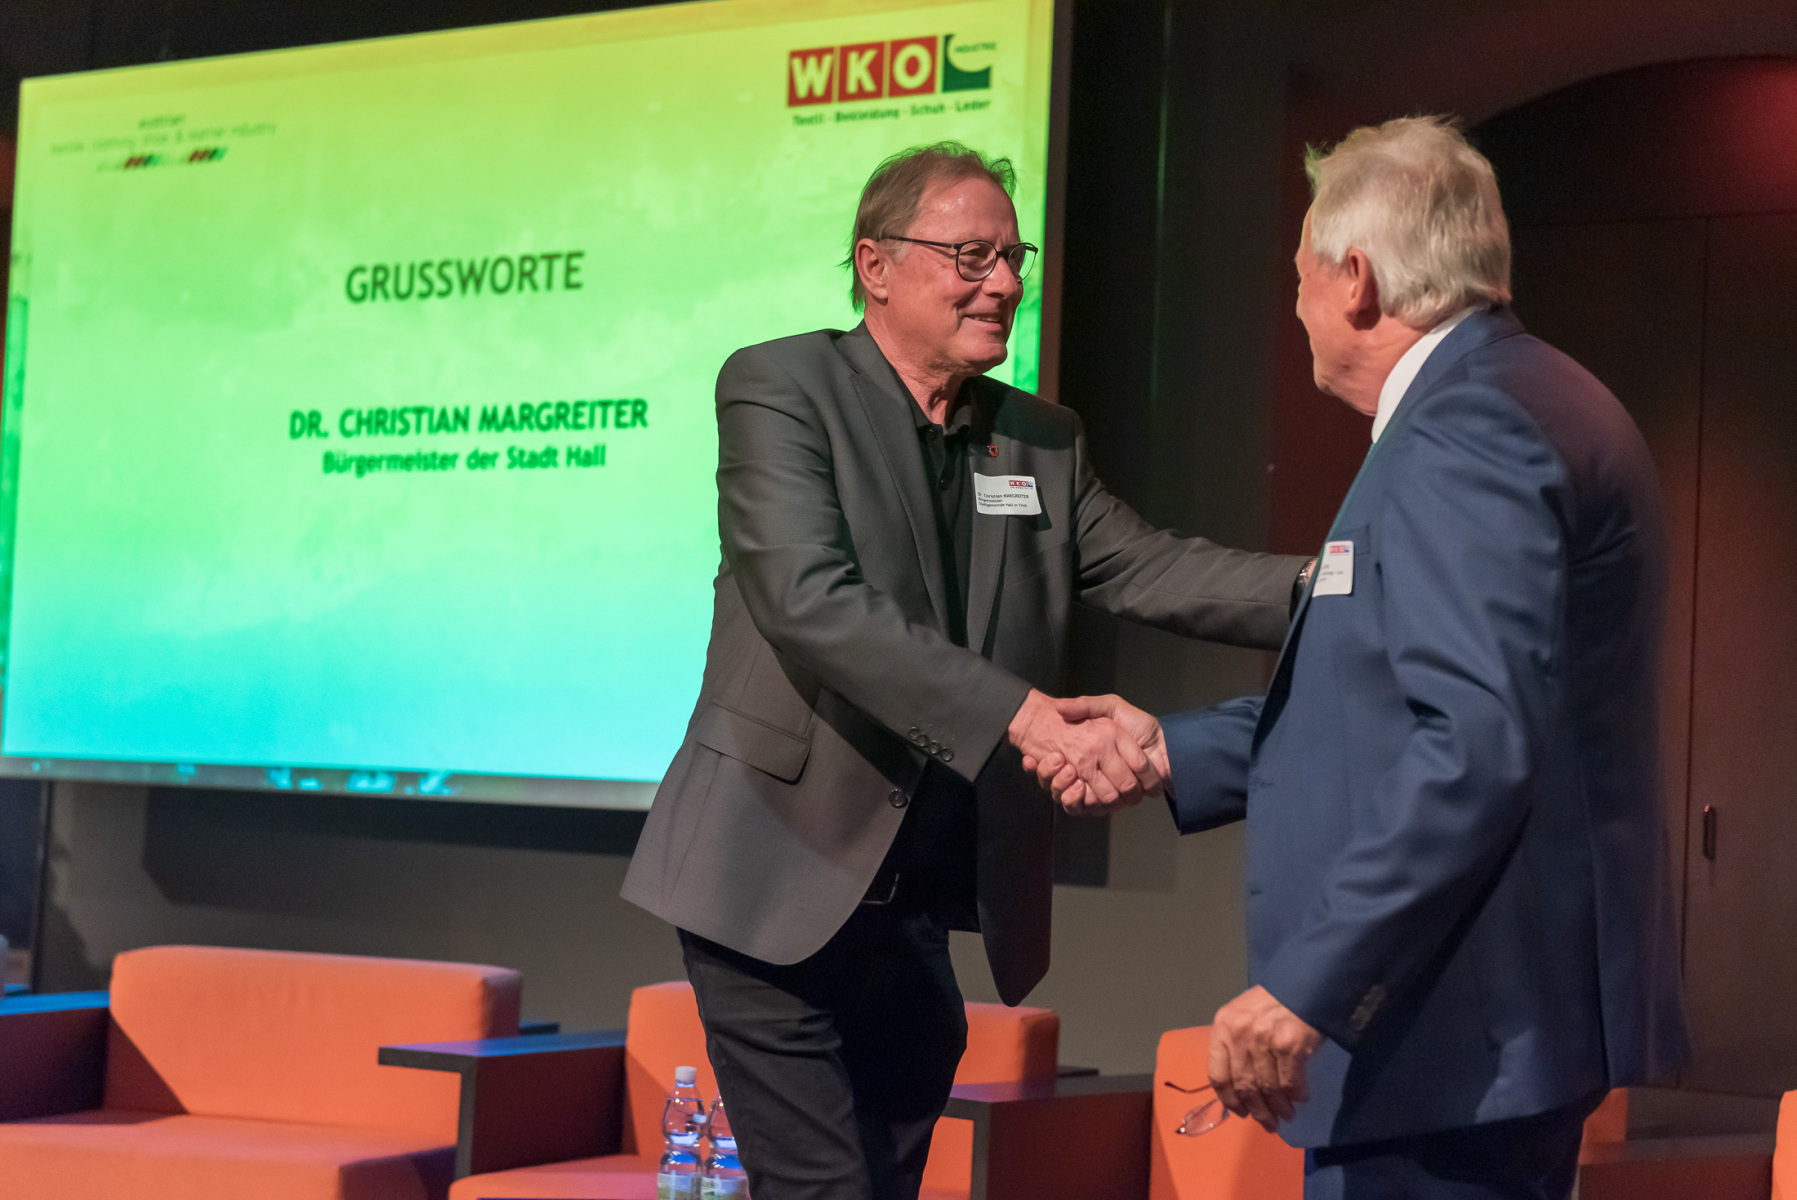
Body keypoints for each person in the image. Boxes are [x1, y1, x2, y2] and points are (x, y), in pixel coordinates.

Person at [622, 142, 1307, 1200]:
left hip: (913, 910)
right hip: (768, 879)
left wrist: (1342, 584)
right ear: (875, 265)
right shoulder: (781, 386)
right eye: (970, 256)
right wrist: (1024, 717)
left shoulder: (1036, 438)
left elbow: (1153, 567)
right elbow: (808, 599)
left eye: (1014, 257)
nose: (1004, 283)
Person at [1031, 117, 1689, 1198]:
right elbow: (1391, 702)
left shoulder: (1465, 428)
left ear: (1355, 280)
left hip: (1447, 1042)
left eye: (1297, 276)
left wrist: (1309, 982)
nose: (1293, 307)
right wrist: (1168, 753)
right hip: (1477, 1038)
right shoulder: (1523, 394)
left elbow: (1472, 743)